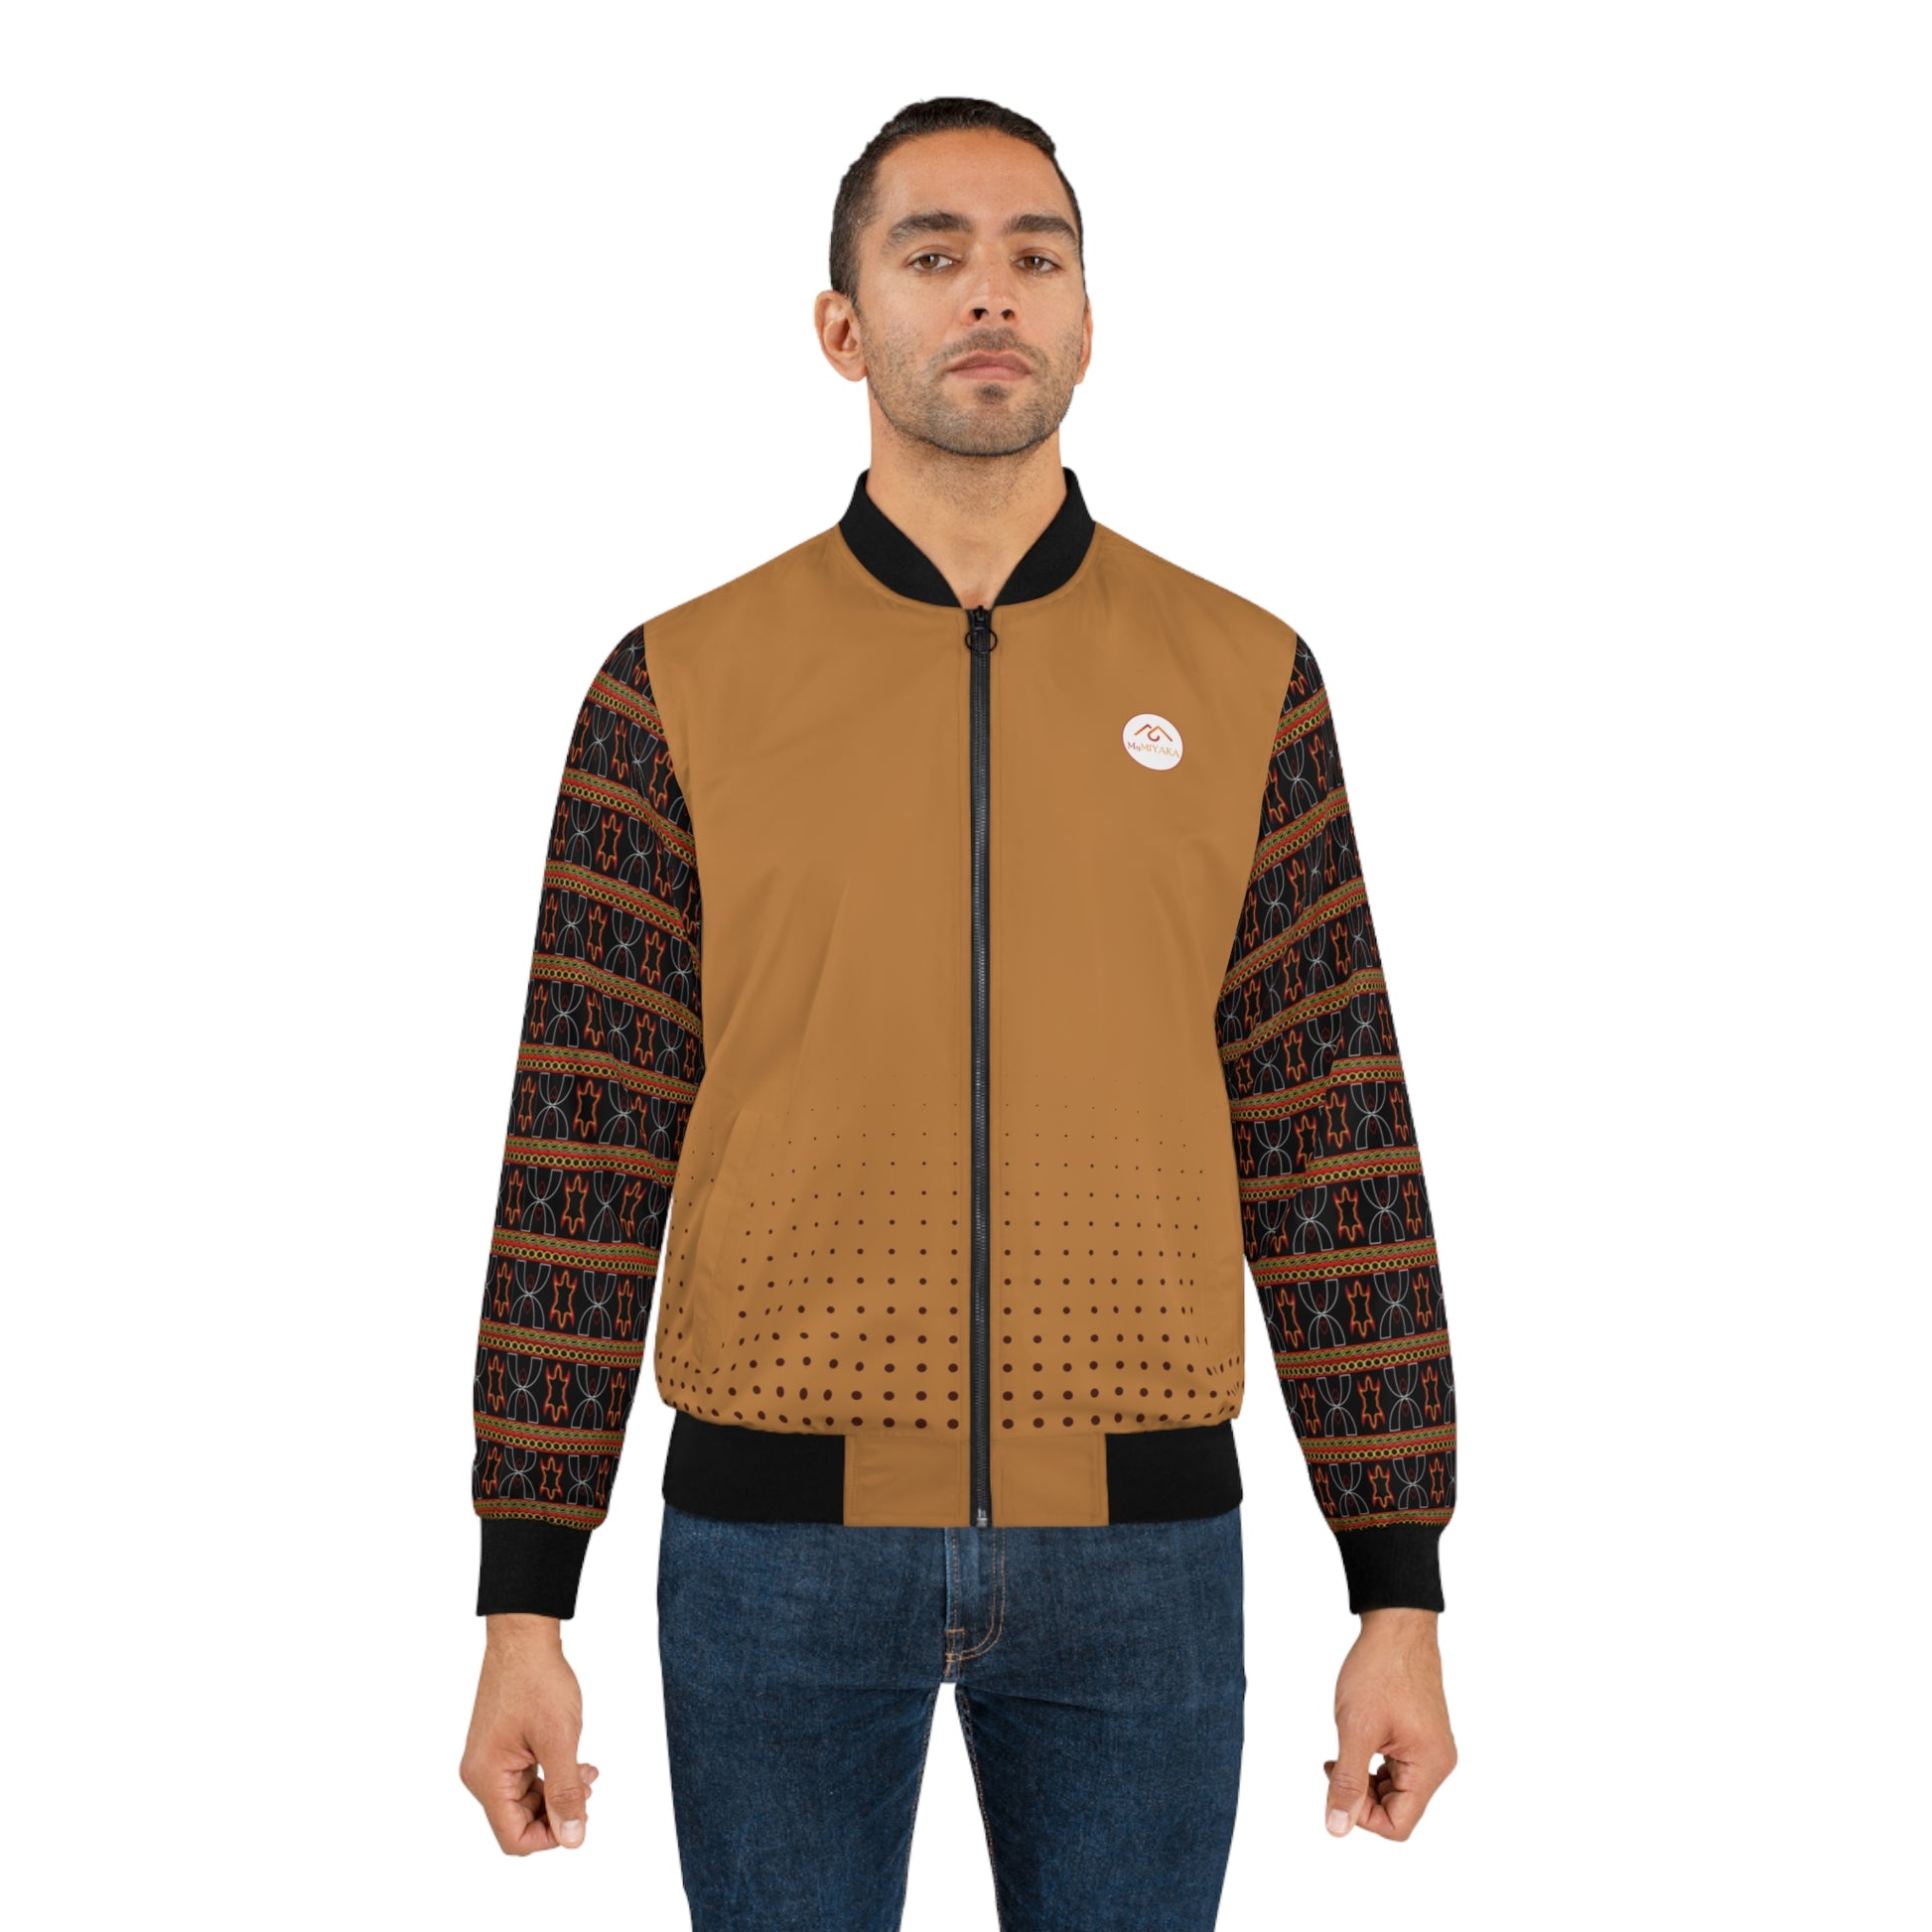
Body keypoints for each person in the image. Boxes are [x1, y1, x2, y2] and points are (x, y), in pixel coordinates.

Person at [460, 94, 1458, 1927]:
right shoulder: (677, 685)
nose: (989, 291)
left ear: (1086, 321)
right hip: (771, 1545)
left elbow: (1330, 1135)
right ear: (842, 327)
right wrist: (525, 1596)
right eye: (933, 254)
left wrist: (1395, 1581)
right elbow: (582, 1141)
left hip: (1142, 1551)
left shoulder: (1243, 678)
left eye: (1032, 255)